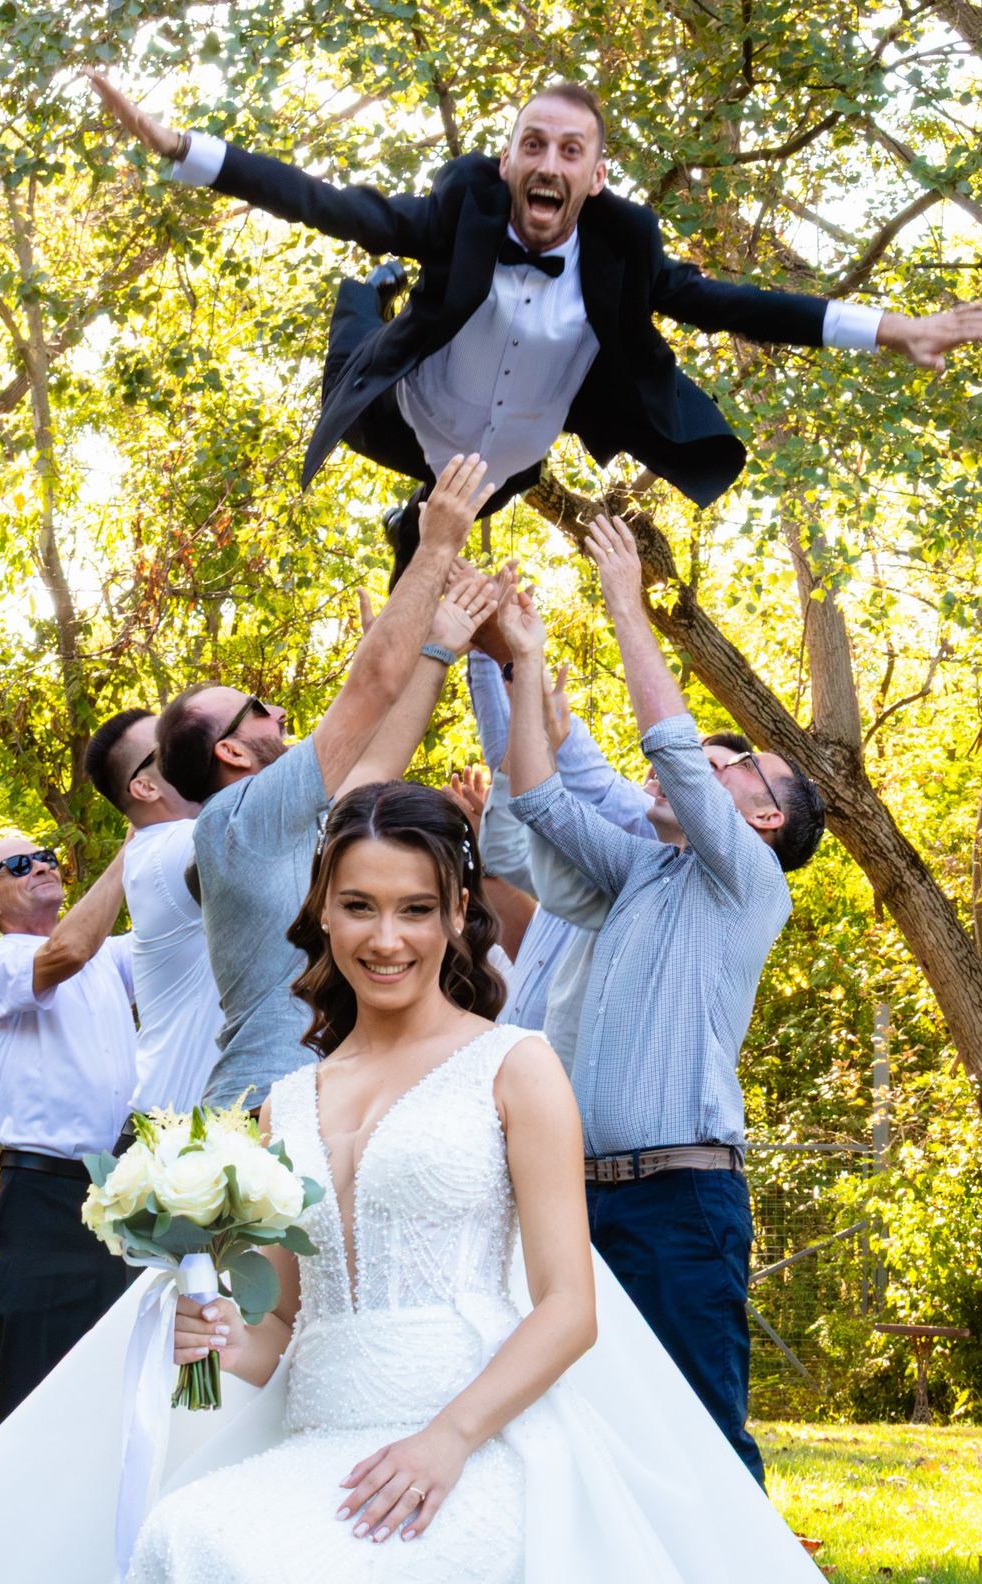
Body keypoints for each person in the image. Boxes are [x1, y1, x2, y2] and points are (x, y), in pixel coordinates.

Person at [0, 785, 825, 1584]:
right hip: (318, 1436)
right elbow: (283, 1323)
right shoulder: (286, 1104)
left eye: (415, 909)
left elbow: (570, 1308)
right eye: (359, 906)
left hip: (476, 1438)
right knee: (187, 1534)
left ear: (456, 915)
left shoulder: (516, 1068)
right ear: (323, 913)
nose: (385, 938)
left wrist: (446, 1441)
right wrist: (216, 1335)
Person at [85, 71, 982, 574]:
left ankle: (414, 529)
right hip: (405, 417)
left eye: (571, 150)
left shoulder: (623, 251)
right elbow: (328, 201)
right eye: (534, 144)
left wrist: (891, 327)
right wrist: (183, 150)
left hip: (505, 463)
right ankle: (370, 294)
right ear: (507, 161)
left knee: (442, 538)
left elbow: (735, 303)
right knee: (359, 325)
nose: (550, 163)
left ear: (594, 178)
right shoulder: (462, 212)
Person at [497, 516, 826, 1485]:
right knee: (591, 1436)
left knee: (701, 1442)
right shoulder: (642, 873)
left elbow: (676, 750)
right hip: (584, 1203)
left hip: (682, 1205)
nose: (714, 765)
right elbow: (540, 803)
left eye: (740, 766)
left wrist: (623, 601)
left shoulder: (751, 885)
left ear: (763, 816)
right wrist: (521, 665)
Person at [159, 455, 505, 1111]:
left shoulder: (289, 826)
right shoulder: (236, 820)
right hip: (263, 1112)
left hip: (330, 1105)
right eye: (256, 708)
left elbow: (379, 764)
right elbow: (371, 687)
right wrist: (434, 547)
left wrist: (439, 647)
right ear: (229, 750)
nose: (277, 710)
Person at [0, 829, 140, 1429]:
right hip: (43, 1202)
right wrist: (131, 846)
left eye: (45, 857)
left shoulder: (110, 958)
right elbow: (69, 951)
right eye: (18, 865)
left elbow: (185, 943)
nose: (40, 865)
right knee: (33, 1392)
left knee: (117, 1384)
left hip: (124, 1195)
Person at [464, 647, 658, 1050]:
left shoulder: (656, 858)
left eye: (712, 769)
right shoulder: (577, 868)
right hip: (512, 1071)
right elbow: (511, 770)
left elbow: (590, 783)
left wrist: (513, 656)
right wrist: (485, 652)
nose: (661, 772)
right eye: (654, 768)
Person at [83, 707, 221, 1113]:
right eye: (173, 745)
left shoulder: (163, 848)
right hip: (182, 1129)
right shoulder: (171, 849)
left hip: (183, 1120)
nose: (198, 745)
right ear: (144, 787)